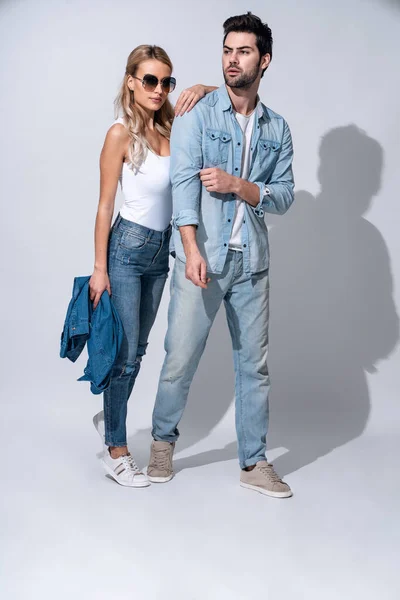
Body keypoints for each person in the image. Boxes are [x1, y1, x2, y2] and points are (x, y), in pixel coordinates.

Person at [148, 13, 295, 498]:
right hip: (202, 258)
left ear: (264, 59)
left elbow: (285, 194)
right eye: (228, 50)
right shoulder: (197, 111)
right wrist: (190, 250)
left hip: (251, 263)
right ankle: (162, 443)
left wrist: (240, 186)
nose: (233, 59)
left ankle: (253, 462)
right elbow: (183, 184)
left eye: (244, 51)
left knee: (254, 366)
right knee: (179, 358)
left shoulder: (278, 128)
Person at [90, 44, 216, 487]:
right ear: (131, 81)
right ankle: (117, 451)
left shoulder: (173, 128)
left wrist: (203, 87)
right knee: (124, 356)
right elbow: (105, 207)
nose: (160, 89)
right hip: (125, 248)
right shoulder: (120, 133)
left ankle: (110, 416)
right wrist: (99, 268)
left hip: (161, 252)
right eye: (150, 80)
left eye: (167, 81)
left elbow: (230, 101)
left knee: (138, 351)